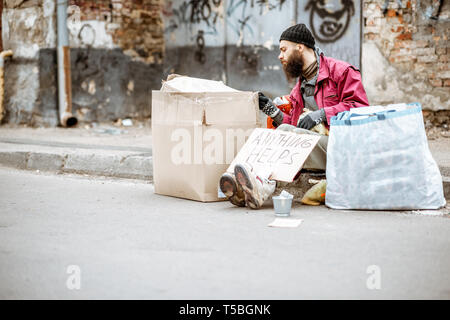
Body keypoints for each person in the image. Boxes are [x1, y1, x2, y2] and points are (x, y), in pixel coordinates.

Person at [220, 23, 369, 209]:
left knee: (283, 132)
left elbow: (361, 109)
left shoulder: (342, 72)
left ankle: (258, 185)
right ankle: (245, 183)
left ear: (300, 47)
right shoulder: (299, 89)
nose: (279, 56)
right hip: (317, 148)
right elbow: (293, 128)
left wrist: (321, 114)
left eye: (284, 49)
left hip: (343, 149)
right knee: (275, 132)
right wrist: (272, 112)